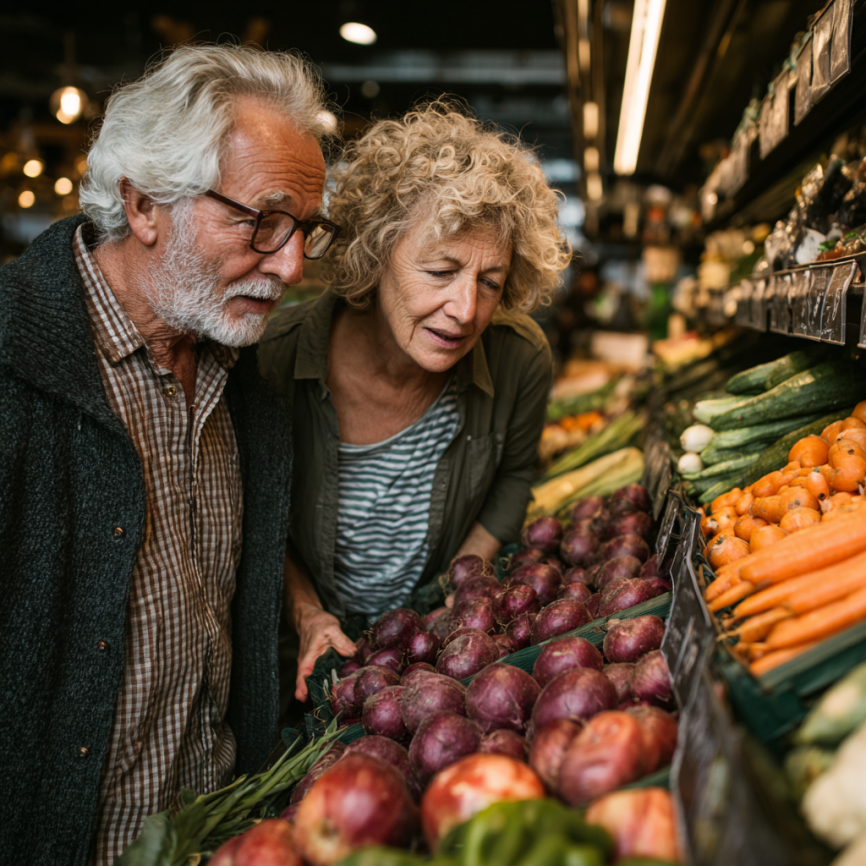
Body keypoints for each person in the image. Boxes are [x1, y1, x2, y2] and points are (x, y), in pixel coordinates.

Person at [0, 45, 340, 866]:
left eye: (305, 229)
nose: (291, 265)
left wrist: (303, 610)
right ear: (144, 203)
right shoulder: (14, 363)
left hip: (222, 831)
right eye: (261, 220)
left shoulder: (241, 377)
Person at [258, 102, 572, 704]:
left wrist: (466, 581)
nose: (465, 310)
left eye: (489, 281)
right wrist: (306, 614)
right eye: (439, 271)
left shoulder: (519, 359)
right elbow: (253, 517)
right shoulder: (272, 360)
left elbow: (513, 479)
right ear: (374, 259)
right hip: (294, 664)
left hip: (433, 659)